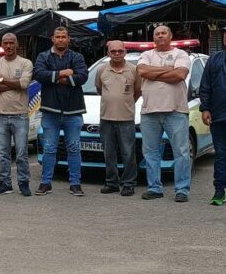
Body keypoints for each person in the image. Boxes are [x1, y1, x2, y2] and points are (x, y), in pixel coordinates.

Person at [137, 26, 192, 202]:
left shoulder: (181, 54)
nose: (160, 36)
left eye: (163, 33)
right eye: (157, 34)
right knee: (150, 152)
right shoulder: (146, 55)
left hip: (175, 110)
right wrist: (169, 70)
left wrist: (154, 74)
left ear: (170, 36)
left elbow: (180, 75)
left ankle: (182, 190)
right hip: (149, 111)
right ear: (153, 37)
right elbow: (142, 72)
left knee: (181, 152)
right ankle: (154, 188)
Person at [33, 26, 88, 196]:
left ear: (68, 39)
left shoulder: (77, 56)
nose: (61, 40)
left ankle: (75, 183)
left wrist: (55, 78)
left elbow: (83, 76)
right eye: (58, 37)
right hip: (50, 111)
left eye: (64, 37)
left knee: (74, 148)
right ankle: (45, 183)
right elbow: (39, 75)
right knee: (49, 148)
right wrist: (64, 73)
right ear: (52, 39)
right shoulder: (43, 56)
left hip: (73, 111)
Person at [0, 33, 34, 197]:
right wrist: (12, 84)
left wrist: (2, 80)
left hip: (20, 115)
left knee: (21, 153)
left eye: (11, 43)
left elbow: (24, 84)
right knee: (3, 154)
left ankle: (23, 183)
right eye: (5, 43)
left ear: (16, 44)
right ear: (2, 45)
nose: (8, 46)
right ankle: (5, 183)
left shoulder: (25, 63)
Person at [94, 40, 142, 196]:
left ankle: (128, 183)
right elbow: (99, 88)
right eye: (113, 51)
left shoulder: (134, 70)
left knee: (128, 153)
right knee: (109, 153)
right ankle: (112, 182)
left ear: (125, 52)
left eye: (119, 51)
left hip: (126, 118)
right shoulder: (101, 70)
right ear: (108, 53)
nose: (116, 54)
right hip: (106, 118)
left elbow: (138, 91)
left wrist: (125, 104)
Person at [200, 26, 226, 206]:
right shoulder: (214, 60)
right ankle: (219, 191)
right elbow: (205, 86)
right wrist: (205, 108)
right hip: (219, 116)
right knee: (221, 155)